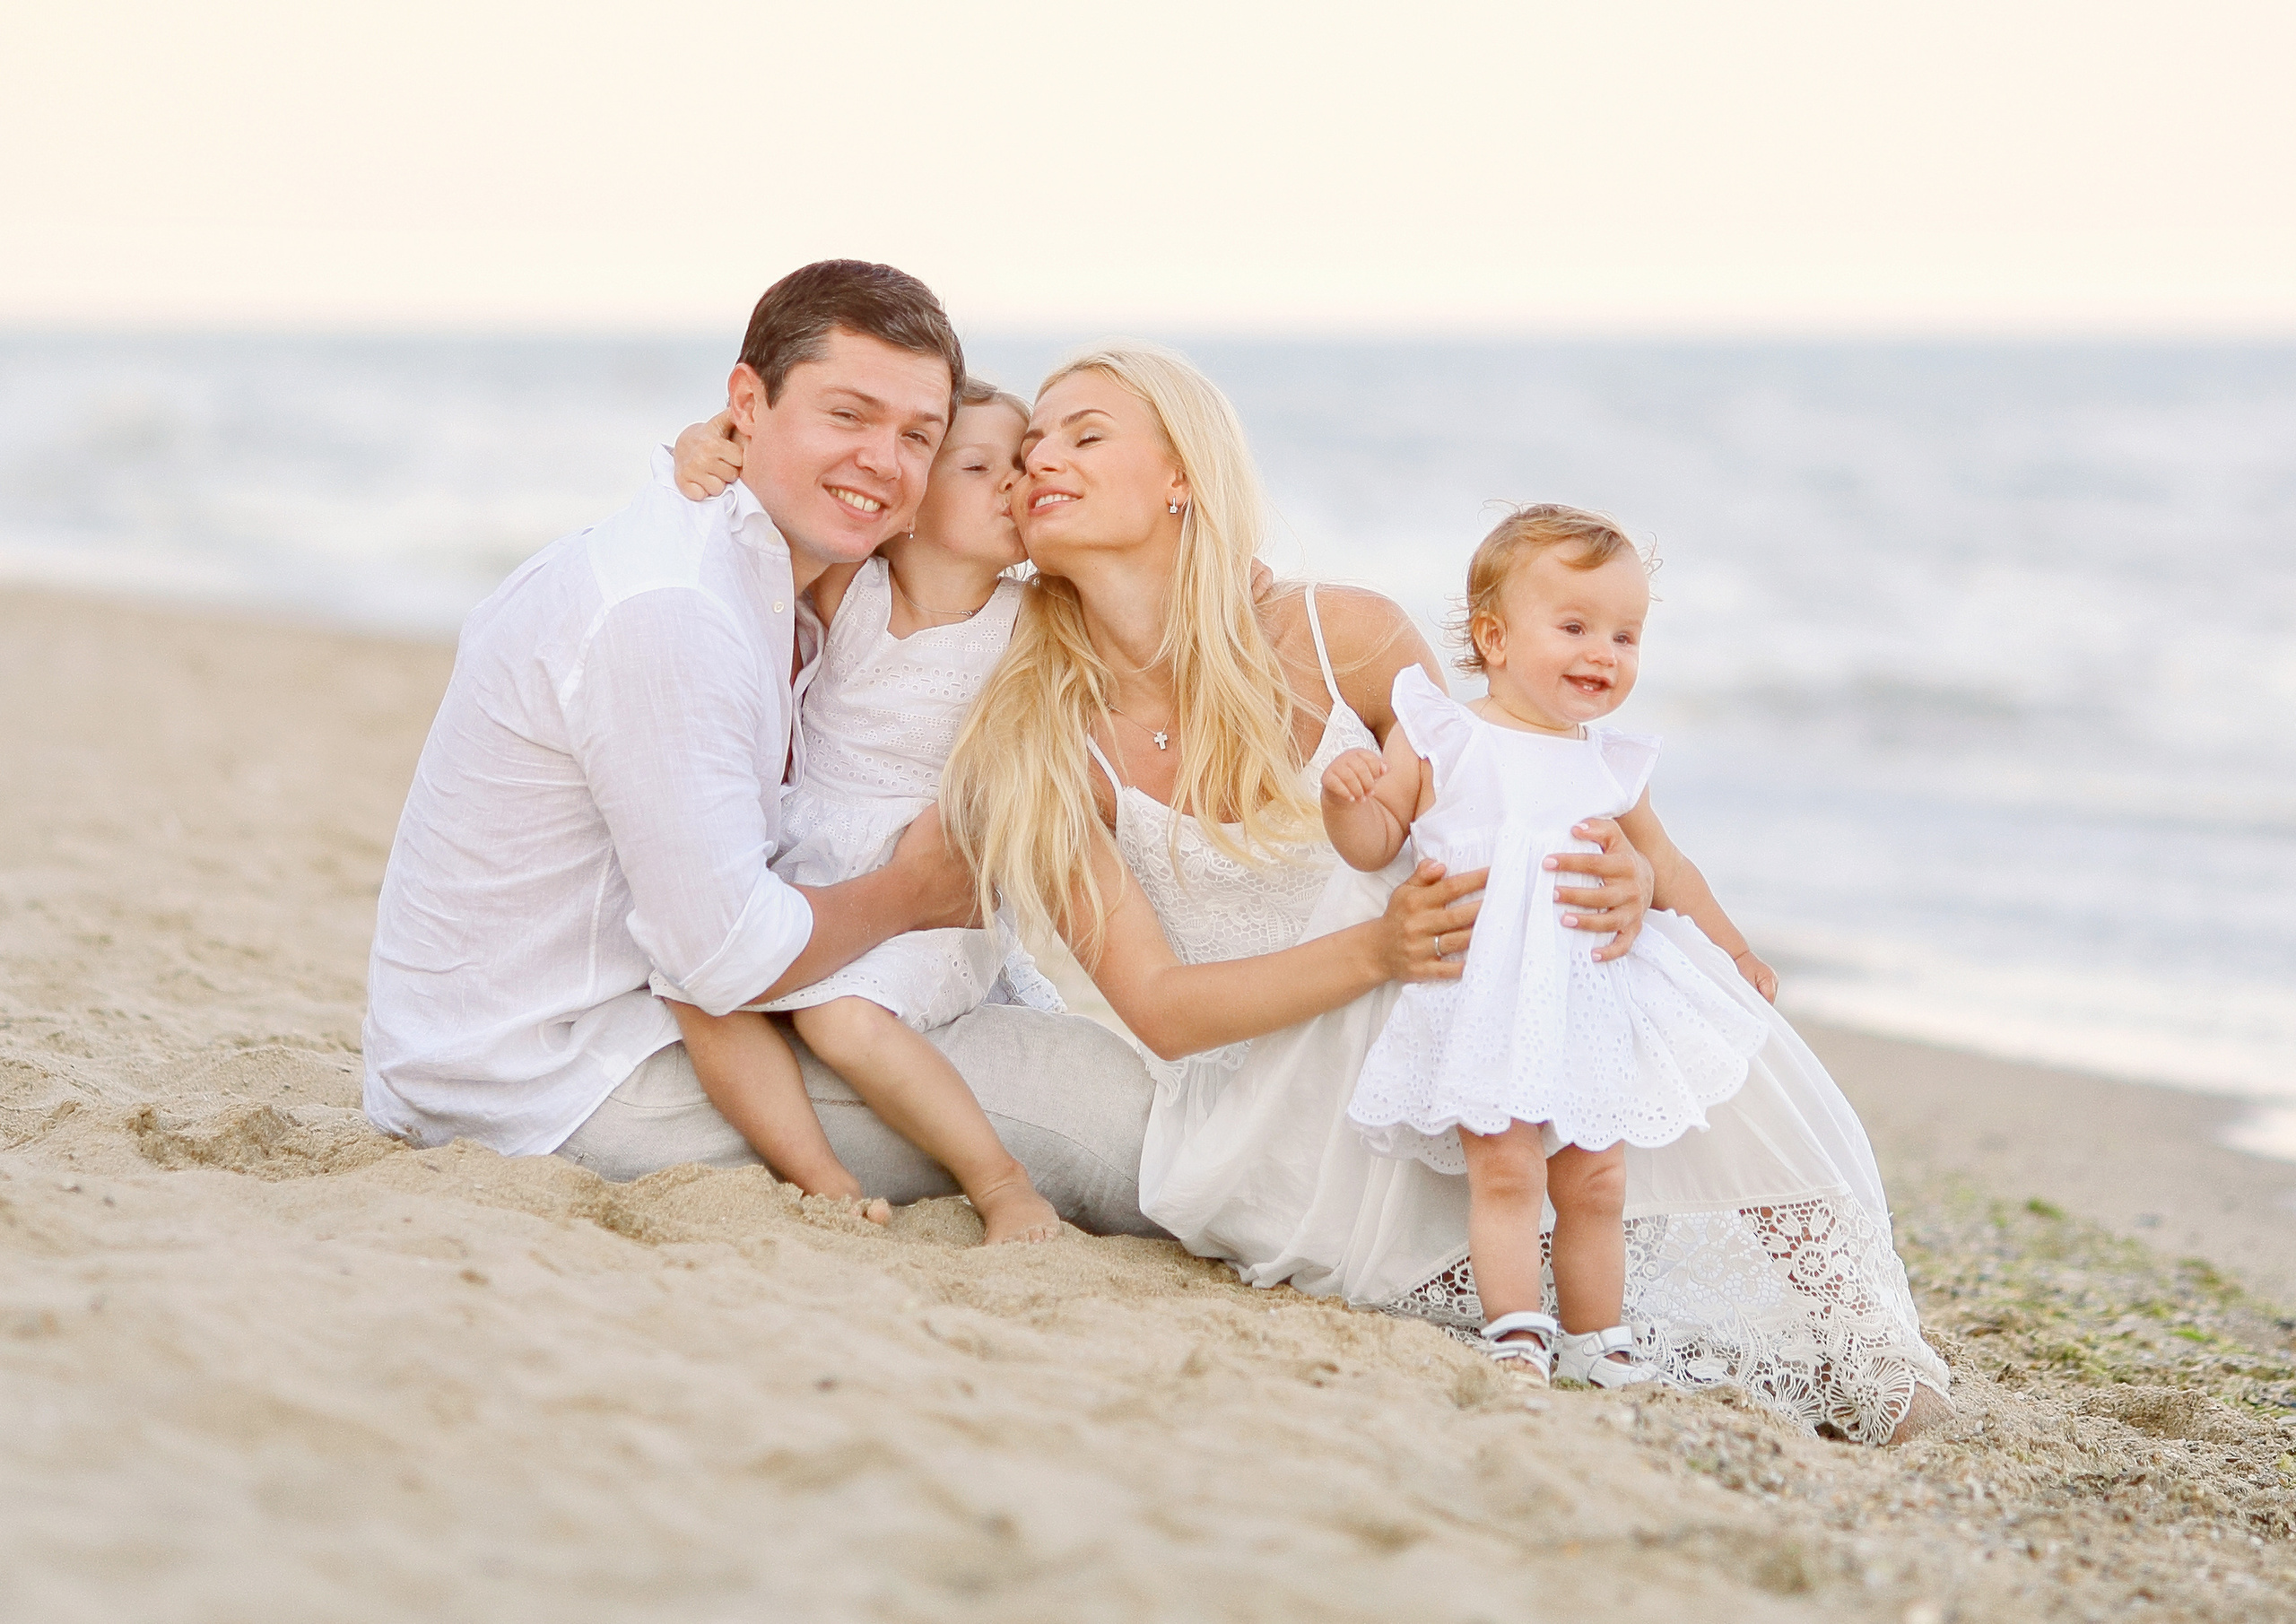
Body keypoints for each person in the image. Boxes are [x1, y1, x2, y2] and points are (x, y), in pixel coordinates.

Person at [938, 341, 1952, 1443]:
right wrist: (1376, 950)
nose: (1041, 455)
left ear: (1183, 473)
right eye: (1029, 442)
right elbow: (1162, 1013)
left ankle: (1859, 1350)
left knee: (1661, 994)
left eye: (1085, 433)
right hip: (1273, 1112)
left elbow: (1519, 779)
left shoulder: (1343, 637)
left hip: (1461, 1039)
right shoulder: (1033, 735)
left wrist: (1634, 877)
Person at [362, 262, 1158, 1238]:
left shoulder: (782, 569)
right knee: (1102, 1115)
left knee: (1068, 1062)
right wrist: (910, 891)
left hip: (621, 1014)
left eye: (917, 435)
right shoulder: (675, 614)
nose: (885, 460)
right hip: (563, 1076)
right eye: (847, 415)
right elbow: (726, 959)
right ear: (749, 401)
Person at [1326, 505, 1773, 1385]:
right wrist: (1347, 801)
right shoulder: (1444, 732)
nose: (1602, 652)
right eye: (1573, 626)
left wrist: (1729, 947)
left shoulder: (1607, 761)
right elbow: (1378, 839)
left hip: (1582, 996)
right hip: (1484, 992)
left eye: (1624, 634)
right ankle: (1517, 1331)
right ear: (1493, 637)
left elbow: (1666, 866)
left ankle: (1596, 1338)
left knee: (1597, 1178)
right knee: (1504, 1170)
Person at [657, 380, 1069, 1244]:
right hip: (812, 856)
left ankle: (1001, 1185)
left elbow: (1144, 597)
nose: (1011, 483)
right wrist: (703, 443)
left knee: (838, 1018)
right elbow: (758, 510)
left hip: (930, 886)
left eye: (1023, 468)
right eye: (979, 465)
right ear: (913, 498)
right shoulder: (855, 586)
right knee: (703, 985)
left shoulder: (1033, 620)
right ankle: (820, 1178)